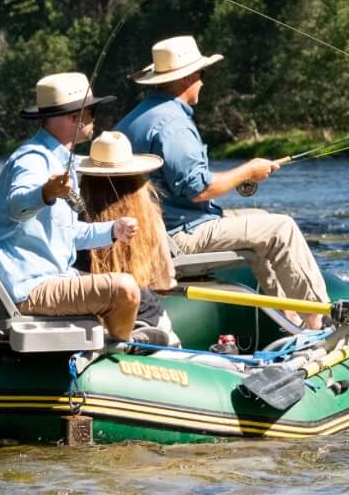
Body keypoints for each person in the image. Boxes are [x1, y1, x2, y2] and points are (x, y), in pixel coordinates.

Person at [113, 34, 330, 329]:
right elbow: (200, 190)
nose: (203, 81)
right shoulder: (172, 124)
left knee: (262, 219)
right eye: (201, 75)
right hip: (176, 238)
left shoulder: (134, 119)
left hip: (152, 233)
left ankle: (289, 319)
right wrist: (248, 171)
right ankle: (321, 321)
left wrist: (246, 172)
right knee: (282, 228)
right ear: (186, 77)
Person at [0, 72, 142, 341]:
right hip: (29, 288)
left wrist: (113, 230)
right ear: (74, 117)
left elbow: (66, 234)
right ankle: (118, 355)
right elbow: (17, 205)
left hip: (53, 278)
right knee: (125, 289)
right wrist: (45, 192)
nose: (95, 118)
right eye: (92, 111)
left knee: (138, 294)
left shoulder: (60, 159)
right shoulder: (33, 159)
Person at [74, 133, 179, 345]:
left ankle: (120, 340)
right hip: (142, 314)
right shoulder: (149, 215)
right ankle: (136, 338)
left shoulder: (72, 217)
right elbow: (165, 279)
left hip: (90, 318)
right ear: (135, 176)